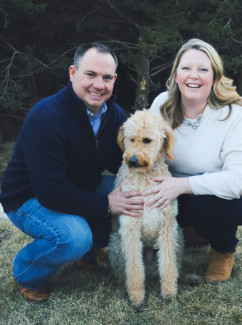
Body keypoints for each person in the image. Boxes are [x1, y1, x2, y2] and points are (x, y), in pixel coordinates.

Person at [0, 42, 144, 302]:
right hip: (29, 197)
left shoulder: (114, 114)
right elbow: (51, 192)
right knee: (74, 237)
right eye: (90, 74)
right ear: (72, 73)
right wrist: (107, 203)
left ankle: (85, 254)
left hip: (78, 186)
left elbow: (119, 160)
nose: (99, 85)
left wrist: (153, 178)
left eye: (106, 77)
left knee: (137, 196)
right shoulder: (47, 117)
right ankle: (28, 272)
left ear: (114, 80)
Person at [143, 38, 242, 284]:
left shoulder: (232, 113)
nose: (194, 76)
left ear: (214, 76)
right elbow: (147, 152)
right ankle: (192, 231)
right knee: (148, 194)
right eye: (186, 68)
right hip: (183, 189)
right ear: (176, 74)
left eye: (203, 69)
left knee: (208, 208)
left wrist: (180, 186)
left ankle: (223, 250)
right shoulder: (162, 105)